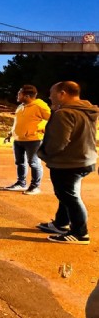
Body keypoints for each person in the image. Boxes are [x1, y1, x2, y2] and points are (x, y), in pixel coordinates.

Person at [36, 81, 98, 244]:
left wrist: (44, 153)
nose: (49, 96)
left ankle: (80, 233)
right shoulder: (85, 110)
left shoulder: (64, 114)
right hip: (84, 159)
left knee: (69, 196)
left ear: (62, 93)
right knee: (67, 194)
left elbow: (58, 142)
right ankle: (61, 223)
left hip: (68, 162)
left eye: (52, 92)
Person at [3, 85, 51, 195]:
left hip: (33, 140)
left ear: (27, 96)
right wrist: (10, 134)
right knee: (20, 162)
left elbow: (52, 119)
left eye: (19, 94)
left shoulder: (40, 106)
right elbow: (17, 122)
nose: (17, 96)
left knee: (33, 163)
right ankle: (21, 183)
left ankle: (35, 186)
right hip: (18, 139)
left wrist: (43, 128)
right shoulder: (20, 106)